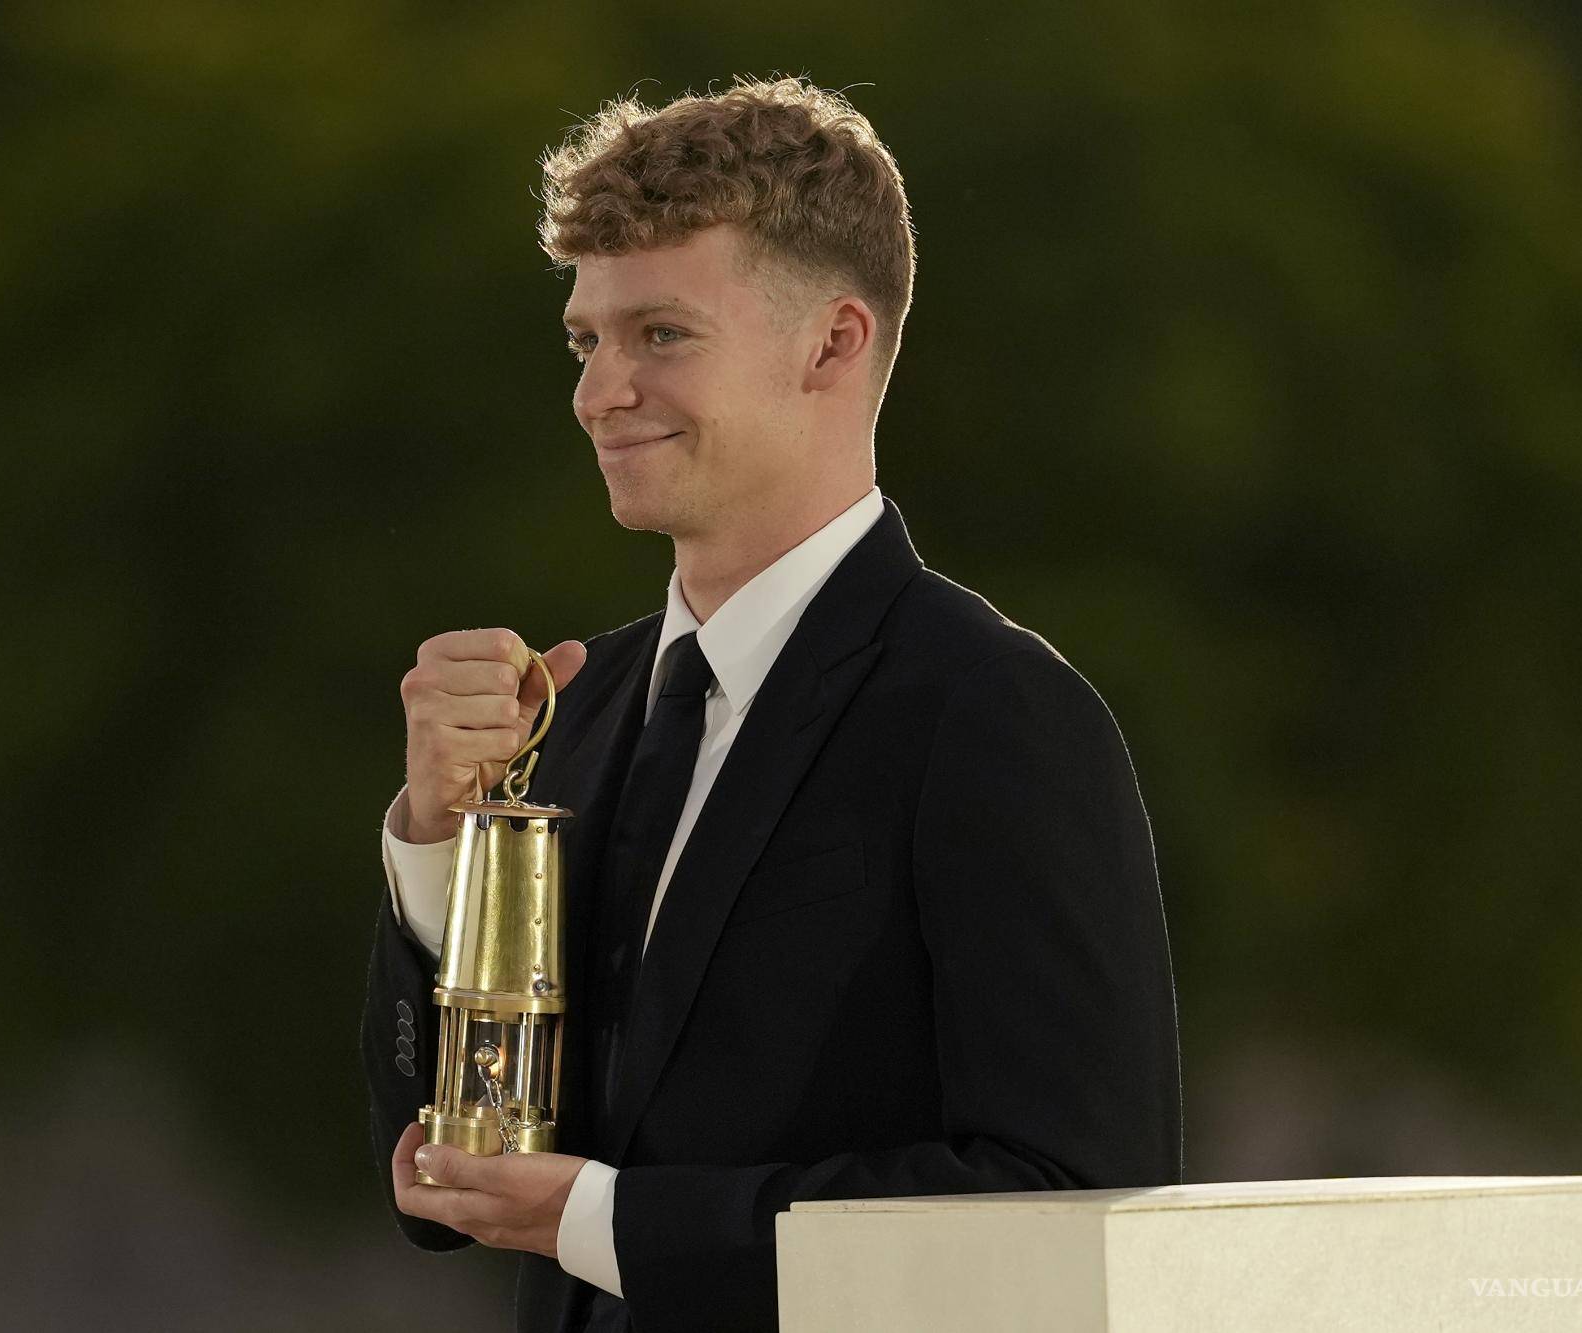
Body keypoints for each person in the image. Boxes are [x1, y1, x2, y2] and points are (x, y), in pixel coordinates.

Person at [360, 74, 1182, 1333]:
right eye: (587, 340)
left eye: (661, 335)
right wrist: (434, 845)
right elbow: (440, 1187)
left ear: (834, 341)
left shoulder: (997, 715)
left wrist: (606, 1223)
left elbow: (1068, 1209)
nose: (598, 392)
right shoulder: (573, 711)